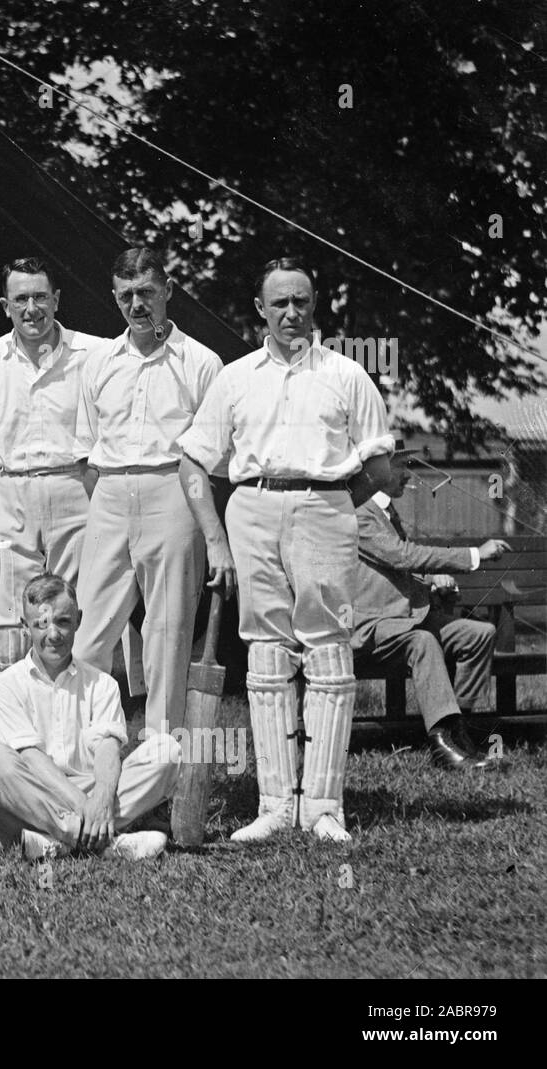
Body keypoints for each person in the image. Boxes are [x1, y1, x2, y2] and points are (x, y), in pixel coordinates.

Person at [177, 256, 394, 844]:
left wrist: (331, 501)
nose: (291, 313)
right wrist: (216, 538)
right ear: (261, 310)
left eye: (301, 301)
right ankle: (273, 806)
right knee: (266, 653)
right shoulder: (235, 377)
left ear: (314, 303)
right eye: (280, 303)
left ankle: (324, 807)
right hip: (251, 508)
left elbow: (379, 464)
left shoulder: (348, 374)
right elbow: (193, 459)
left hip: (327, 507)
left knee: (327, 650)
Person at [74, 249, 222, 734]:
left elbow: (209, 455)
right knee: (87, 634)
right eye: (126, 296)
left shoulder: (202, 363)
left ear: (168, 293)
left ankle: (162, 766)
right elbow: (86, 449)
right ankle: (80, 754)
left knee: (168, 635)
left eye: (146, 294)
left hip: (174, 493)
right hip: (110, 494)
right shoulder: (98, 361)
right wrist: (112, 497)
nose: (138, 306)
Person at [0, 574, 182, 862]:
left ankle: (56, 843)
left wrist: (101, 799)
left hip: (89, 790)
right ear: (25, 627)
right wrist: (86, 807)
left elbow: (108, 748)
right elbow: (30, 757)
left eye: (63, 621)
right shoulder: (2, 687)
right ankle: (100, 840)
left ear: (79, 619)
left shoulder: (101, 683)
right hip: (29, 798)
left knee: (167, 750)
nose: (54, 634)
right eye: (41, 625)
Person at [0, 257, 100, 675]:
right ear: (6, 306)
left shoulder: (94, 353)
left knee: (71, 611)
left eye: (40, 297)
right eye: (21, 299)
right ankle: (12, 732)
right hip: (11, 492)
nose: (31, 308)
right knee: (9, 620)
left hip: (74, 489)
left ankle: (74, 727)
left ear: (56, 300)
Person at [351, 448, 509, 769]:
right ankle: (442, 746)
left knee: (479, 634)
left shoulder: (386, 512)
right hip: (374, 627)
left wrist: (433, 578)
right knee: (423, 643)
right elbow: (401, 556)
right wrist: (474, 556)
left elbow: (400, 567)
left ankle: (458, 731)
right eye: (400, 468)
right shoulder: (358, 513)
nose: (408, 475)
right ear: (374, 474)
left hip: (405, 619)